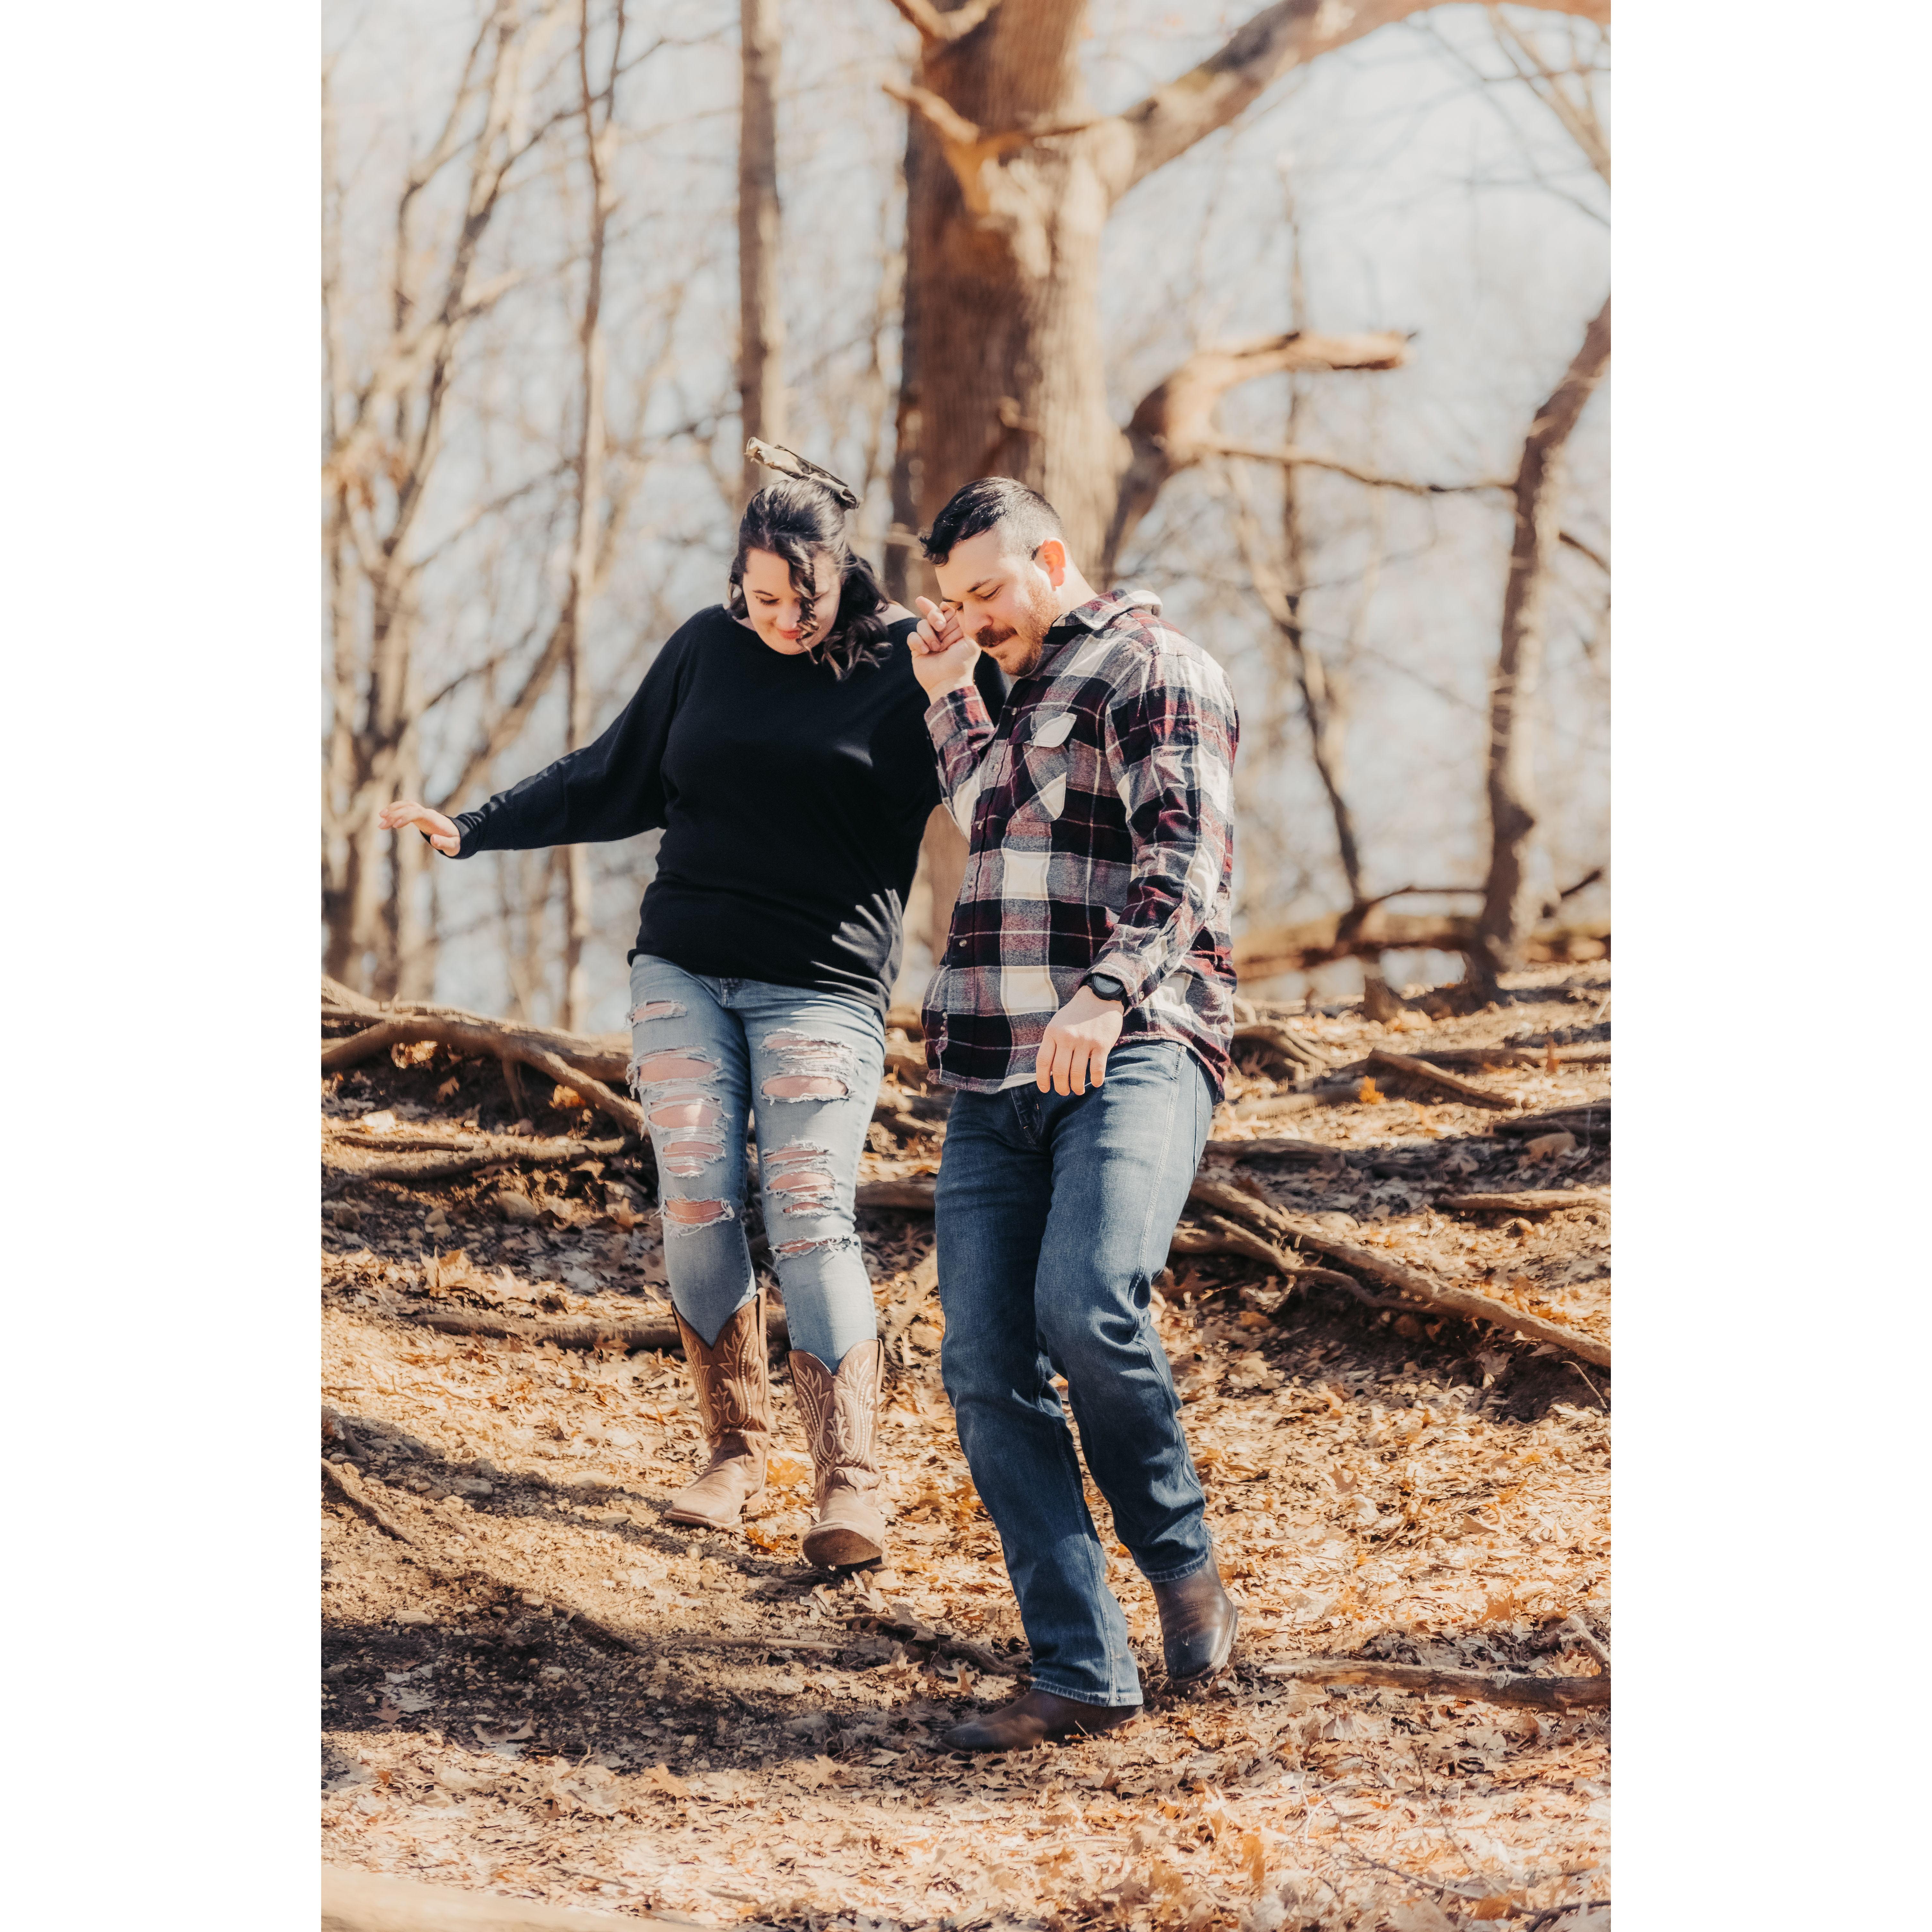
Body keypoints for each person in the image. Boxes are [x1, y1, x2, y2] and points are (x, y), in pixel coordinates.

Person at [380, 457, 998, 1570]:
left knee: (809, 1213)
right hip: (683, 969)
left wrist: (959, 681)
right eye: (760, 598)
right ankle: (733, 1450)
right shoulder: (709, 647)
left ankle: (850, 1481)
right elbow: (612, 773)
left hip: (823, 985)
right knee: (698, 1201)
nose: (779, 622)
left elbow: (996, 788)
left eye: (800, 602)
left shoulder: (913, 658)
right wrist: (473, 826)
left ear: (841, 576)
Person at [905, 476, 1242, 1751]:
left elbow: (1186, 851)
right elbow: (986, 813)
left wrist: (1108, 989)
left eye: (989, 590)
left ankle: (1183, 1563)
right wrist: (951, 696)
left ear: (1052, 558)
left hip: (1133, 1044)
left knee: (1087, 1301)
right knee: (985, 1369)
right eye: (954, 600)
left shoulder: (1155, 664)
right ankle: (1081, 1670)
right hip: (994, 1071)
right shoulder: (1015, 687)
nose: (973, 615)